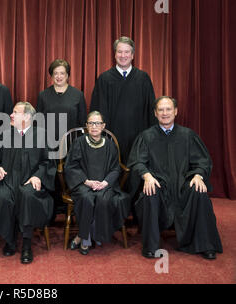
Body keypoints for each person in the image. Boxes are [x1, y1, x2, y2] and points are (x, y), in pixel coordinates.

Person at [127, 96, 223, 260]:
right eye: (161, 110)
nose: (165, 113)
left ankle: (205, 244)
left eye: (168, 109)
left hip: (183, 185)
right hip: (159, 185)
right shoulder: (146, 137)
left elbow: (203, 161)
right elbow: (137, 161)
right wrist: (147, 176)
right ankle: (151, 246)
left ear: (176, 111)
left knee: (199, 191)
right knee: (150, 192)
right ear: (155, 114)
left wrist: (199, 175)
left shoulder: (188, 135)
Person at [0, 102, 56, 264]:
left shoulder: (42, 135)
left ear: (27, 117)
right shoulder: (3, 135)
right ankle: (9, 240)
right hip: (8, 182)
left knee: (27, 195)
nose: (11, 115)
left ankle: (26, 244)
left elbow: (49, 162)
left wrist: (38, 176)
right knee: (2, 198)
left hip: (31, 183)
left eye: (15, 112)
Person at [64, 111, 130, 255]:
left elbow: (115, 168)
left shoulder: (110, 145)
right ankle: (86, 239)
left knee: (103, 199)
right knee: (86, 198)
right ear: (86, 125)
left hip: (104, 185)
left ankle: (81, 236)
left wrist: (105, 183)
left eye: (98, 123)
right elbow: (71, 167)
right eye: (91, 123)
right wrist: (87, 182)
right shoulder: (79, 143)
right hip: (83, 184)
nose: (94, 126)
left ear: (103, 126)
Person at [90, 36, 156, 165]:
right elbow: (96, 110)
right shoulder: (104, 79)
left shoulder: (143, 78)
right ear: (114, 54)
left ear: (132, 55)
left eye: (127, 52)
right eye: (119, 51)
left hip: (138, 137)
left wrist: (150, 137)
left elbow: (151, 111)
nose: (123, 55)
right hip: (111, 138)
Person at [36, 59, 87, 219]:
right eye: (55, 73)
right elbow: (38, 121)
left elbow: (82, 122)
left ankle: (70, 211)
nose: (59, 77)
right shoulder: (43, 95)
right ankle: (50, 211)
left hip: (71, 145)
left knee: (69, 175)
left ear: (68, 76)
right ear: (51, 76)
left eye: (62, 73)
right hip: (49, 144)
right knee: (50, 176)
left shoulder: (77, 95)